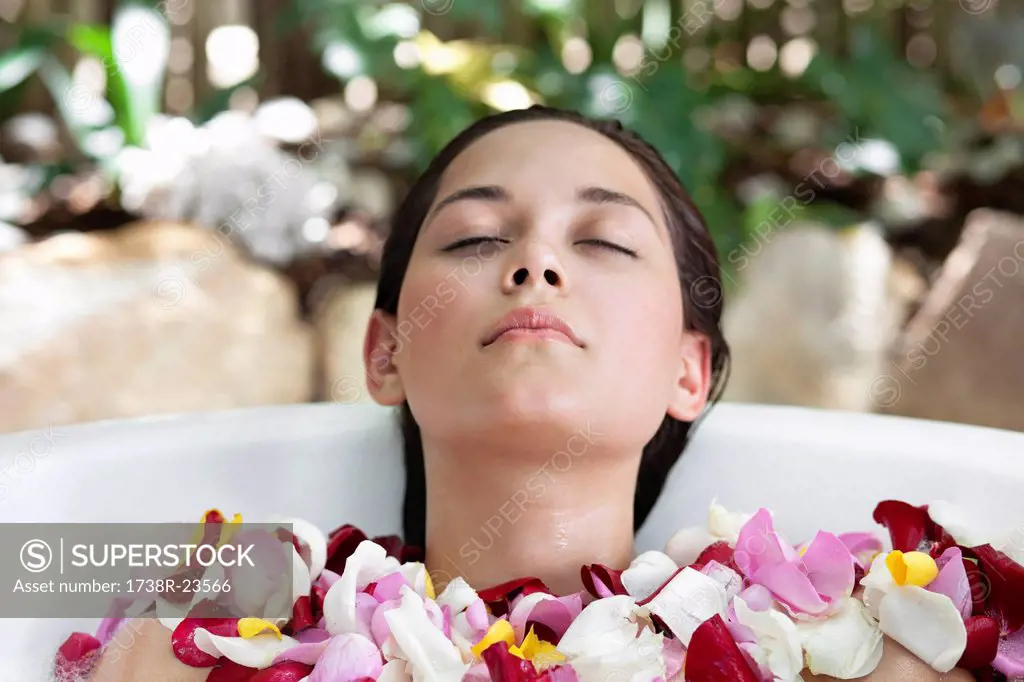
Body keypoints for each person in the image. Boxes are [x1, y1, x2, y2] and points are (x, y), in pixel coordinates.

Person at [82, 106, 971, 681]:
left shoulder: (876, 650)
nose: (534, 264)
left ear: (687, 372)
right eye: (474, 237)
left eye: (606, 243)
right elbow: (31, 564)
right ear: (384, 353)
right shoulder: (193, 636)